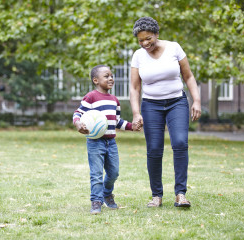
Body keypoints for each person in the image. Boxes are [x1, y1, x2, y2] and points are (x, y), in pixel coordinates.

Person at [129, 17, 201, 208]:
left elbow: (189, 76)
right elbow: (135, 88)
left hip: (177, 102)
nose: (145, 43)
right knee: (154, 149)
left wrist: (197, 101)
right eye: (141, 41)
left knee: (179, 143)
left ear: (157, 34)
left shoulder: (174, 48)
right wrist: (136, 113)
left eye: (148, 39)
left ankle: (180, 194)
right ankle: (156, 196)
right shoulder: (138, 56)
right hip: (151, 105)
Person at [73, 65, 135, 214]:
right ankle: (96, 201)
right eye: (106, 76)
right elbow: (78, 113)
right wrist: (78, 124)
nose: (111, 78)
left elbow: (117, 121)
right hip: (95, 142)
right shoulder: (91, 97)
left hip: (111, 142)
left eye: (111, 76)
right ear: (96, 80)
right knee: (96, 174)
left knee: (114, 173)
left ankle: (106, 194)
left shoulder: (114, 100)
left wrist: (133, 126)